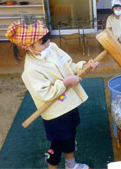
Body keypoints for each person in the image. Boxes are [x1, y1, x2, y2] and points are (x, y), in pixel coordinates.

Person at [5, 19, 99, 169]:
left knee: (70, 136)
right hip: (55, 113)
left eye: (48, 39)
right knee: (57, 144)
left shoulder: (52, 48)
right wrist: (65, 82)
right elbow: (45, 94)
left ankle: (70, 165)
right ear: (29, 46)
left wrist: (85, 66)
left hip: (70, 104)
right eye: (43, 42)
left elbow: (70, 66)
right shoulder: (30, 70)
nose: (48, 43)